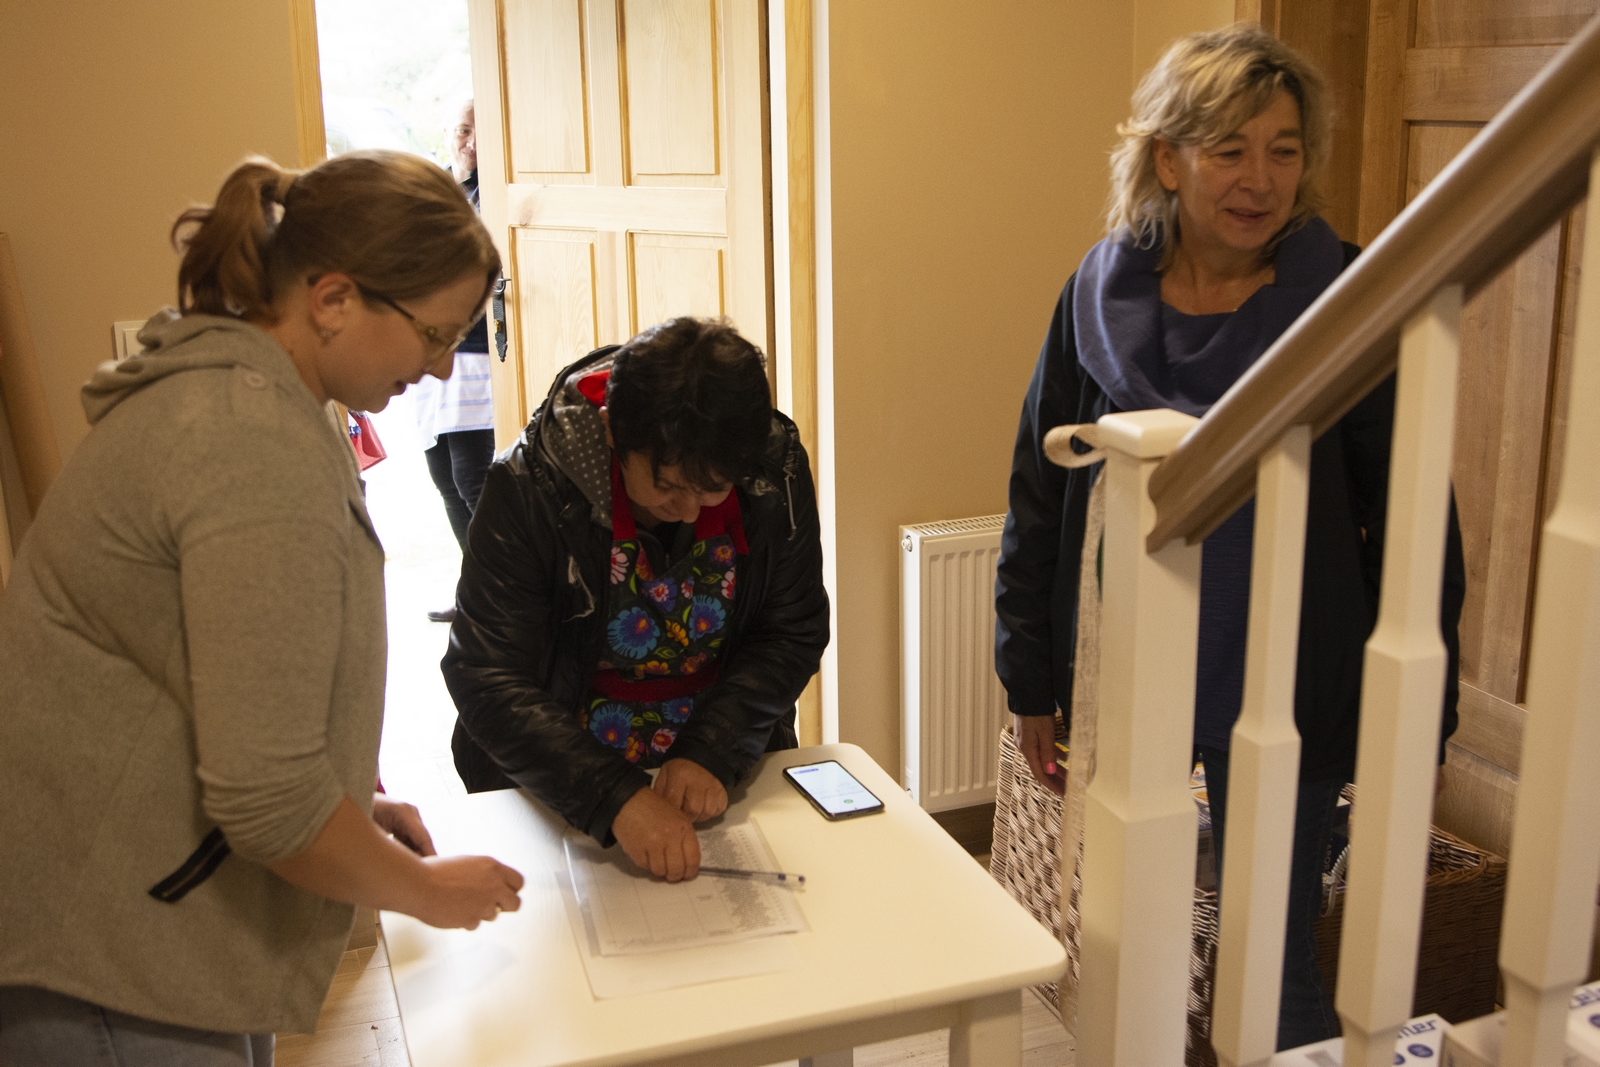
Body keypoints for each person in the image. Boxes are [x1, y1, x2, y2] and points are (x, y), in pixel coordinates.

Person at [993, 25, 1465, 1051]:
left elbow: (1413, 513)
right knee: (1129, 928)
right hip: (1127, 666)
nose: (1261, 179)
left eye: (1284, 150)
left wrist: (1422, 709)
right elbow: (1039, 487)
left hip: (1288, 675)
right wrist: (1028, 673)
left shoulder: (1347, 298)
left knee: (1269, 952)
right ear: (1168, 159)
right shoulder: (1095, 294)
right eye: (1230, 149)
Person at [0, 150, 525, 1066]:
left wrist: (348, 799)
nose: (444, 368)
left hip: (142, 906)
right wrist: (428, 890)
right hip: (107, 946)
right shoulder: (250, 443)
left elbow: (207, 670)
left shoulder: (255, 398)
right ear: (333, 299)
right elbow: (271, 804)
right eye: (433, 334)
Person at [442, 317, 829, 883]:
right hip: (563, 778)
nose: (690, 510)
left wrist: (711, 750)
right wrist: (614, 796)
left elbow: (792, 630)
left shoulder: (773, 469)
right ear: (610, 432)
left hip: (718, 767)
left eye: (713, 488)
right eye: (667, 486)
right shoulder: (529, 487)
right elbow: (485, 673)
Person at [411, 97, 495, 623]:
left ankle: (500, 593)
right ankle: (478, 592)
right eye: (464, 130)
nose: (471, 143)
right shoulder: (433, 190)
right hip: (430, 348)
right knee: (443, 476)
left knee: (471, 476)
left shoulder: (498, 193)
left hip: (478, 353)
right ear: (447, 130)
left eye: (482, 133)